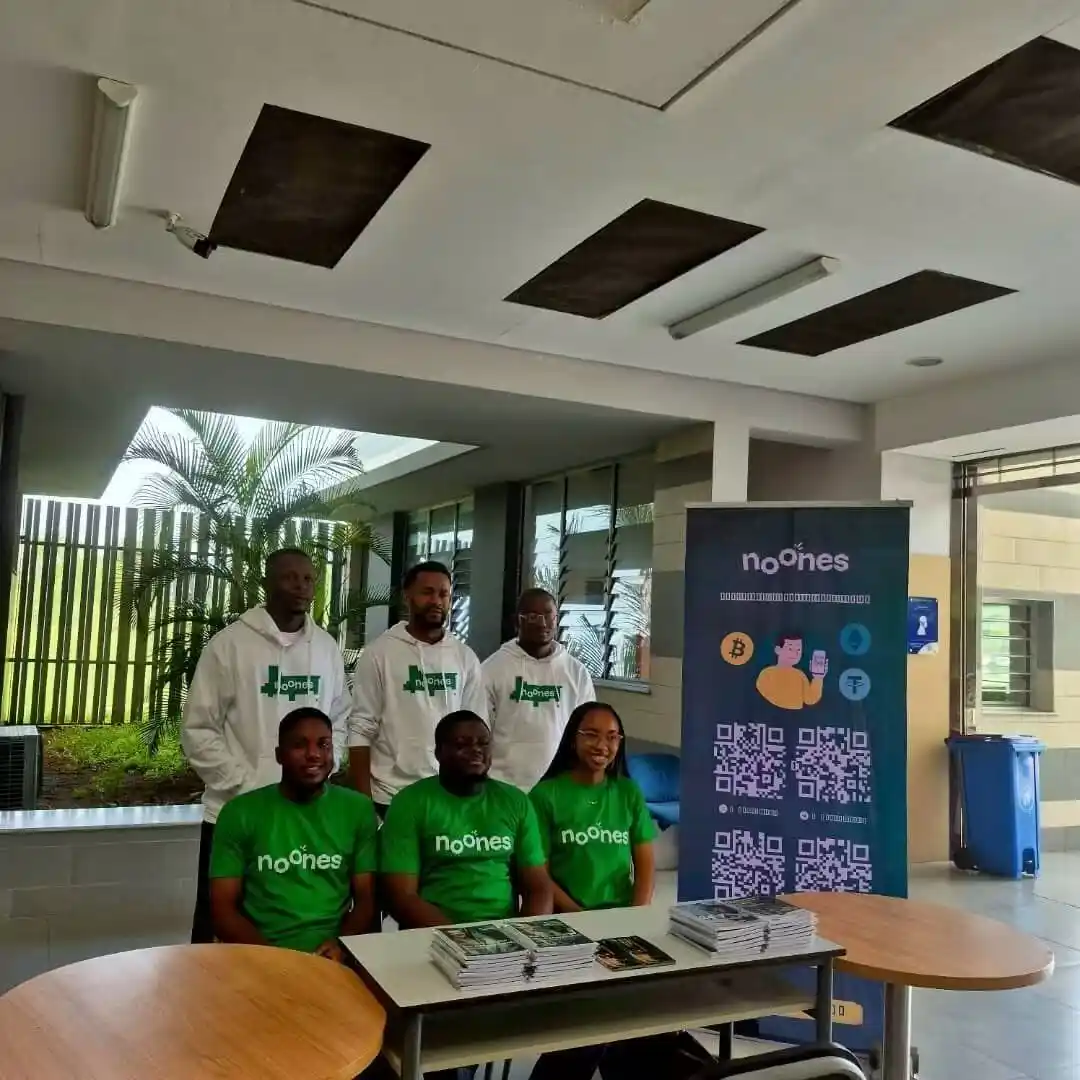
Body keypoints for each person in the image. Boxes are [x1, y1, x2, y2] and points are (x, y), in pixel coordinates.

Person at [527, 702, 708, 1080]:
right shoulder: (546, 795)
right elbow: (539, 875)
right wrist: (579, 918)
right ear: (572, 739)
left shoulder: (626, 792)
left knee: (643, 1024)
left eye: (611, 737)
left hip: (624, 926)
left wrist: (635, 917)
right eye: (591, 734)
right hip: (568, 925)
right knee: (582, 1034)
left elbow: (645, 863)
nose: (602, 745)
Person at [181, 548, 352, 943]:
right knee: (219, 927)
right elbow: (199, 728)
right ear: (267, 583)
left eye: (309, 579)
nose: (302, 587)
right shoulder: (229, 646)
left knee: (294, 919)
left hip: (309, 811)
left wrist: (327, 764)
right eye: (290, 577)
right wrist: (243, 784)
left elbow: (341, 717)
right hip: (237, 809)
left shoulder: (325, 648)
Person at [209, 707, 378, 957]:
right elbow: (222, 909)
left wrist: (344, 945)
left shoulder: (358, 809)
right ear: (279, 755)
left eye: (324, 745)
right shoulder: (240, 812)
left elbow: (367, 898)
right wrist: (276, 962)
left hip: (332, 957)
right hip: (260, 956)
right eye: (300, 745)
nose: (313, 754)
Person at [380, 710, 553, 929]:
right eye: (462, 744)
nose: (476, 751)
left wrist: (527, 935)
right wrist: (458, 940)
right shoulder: (410, 802)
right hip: (432, 934)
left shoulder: (515, 801)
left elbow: (538, 886)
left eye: (484, 743)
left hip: (503, 935)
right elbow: (401, 895)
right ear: (439, 753)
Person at [348, 561, 485, 815]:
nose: (437, 600)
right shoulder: (379, 654)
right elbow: (360, 729)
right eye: (427, 592)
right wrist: (363, 806)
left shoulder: (465, 658)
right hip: (389, 796)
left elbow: (478, 733)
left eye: (444, 594)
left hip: (448, 797)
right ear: (407, 596)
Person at [483, 587, 595, 791]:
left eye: (548, 615)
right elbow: (480, 733)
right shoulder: (492, 669)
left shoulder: (576, 672)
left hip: (560, 787)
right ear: (518, 620)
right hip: (504, 788)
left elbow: (587, 732)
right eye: (534, 616)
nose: (543, 623)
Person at [755, 632, 828, 711]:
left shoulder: (800, 675)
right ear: (778, 650)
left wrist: (818, 678)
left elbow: (810, 699)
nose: (795, 653)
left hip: (796, 717)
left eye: (799, 649)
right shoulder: (766, 674)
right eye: (790, 649)